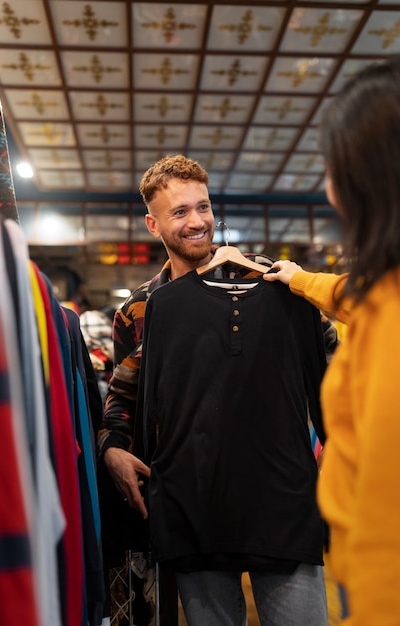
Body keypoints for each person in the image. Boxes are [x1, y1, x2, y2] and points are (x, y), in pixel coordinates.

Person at [97, 154, 337, 625]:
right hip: (194, 502)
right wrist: (113, 448)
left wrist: (338, 439)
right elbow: (125, 395)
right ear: (153, 224)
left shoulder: (278, 283)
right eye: (180, 212)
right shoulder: (142, 310)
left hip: (280, 498)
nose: (197, 222)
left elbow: (332, 365)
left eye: (202, 207)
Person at [263, 56, 400, 626]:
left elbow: (385, 516)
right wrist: (299, 279)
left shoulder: (389, 321)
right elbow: (351, 293)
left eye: (332, 168)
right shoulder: (378, 294)